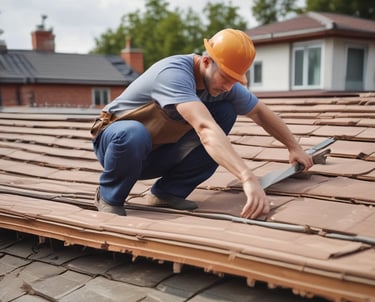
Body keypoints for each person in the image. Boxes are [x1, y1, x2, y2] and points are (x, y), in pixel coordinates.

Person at [91, 28, 313, 219]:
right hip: (117, 146)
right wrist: (247, 177)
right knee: (133, 133)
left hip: (156, 153)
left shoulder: (222, 84)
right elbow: (205, 129)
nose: (228, 87)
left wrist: (293, 146)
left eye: (235, 80)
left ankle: (167, 193)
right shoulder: (174, 74)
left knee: (225, 111)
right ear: (206, 62)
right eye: (225, 78)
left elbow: (260, 112)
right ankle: (110, 196)